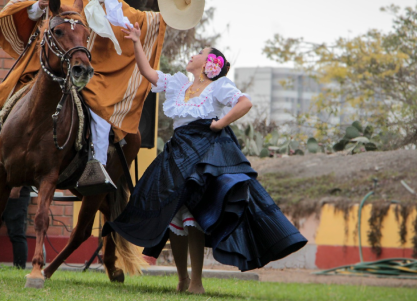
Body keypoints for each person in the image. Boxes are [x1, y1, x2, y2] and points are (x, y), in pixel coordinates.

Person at [102, 24, 308, 294]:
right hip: (177, 152)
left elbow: (244, 103)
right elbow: (149, 73)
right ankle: (182, 278)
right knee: (174, 212)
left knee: (195, 213)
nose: (192, 54)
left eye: (199, 52)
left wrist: (219, 123)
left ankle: (196, 281)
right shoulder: (179, 84)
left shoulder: (219, 86)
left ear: (210, 62)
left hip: (204, 152)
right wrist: (138, 43)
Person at [0, 0, 166, 166]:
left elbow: (142, 19)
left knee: (102, 115)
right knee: (6, 89)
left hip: (88, 71)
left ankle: (97, 167)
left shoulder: (116, 6)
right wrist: (39, 7)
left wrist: (167, 15)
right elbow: (29, 8)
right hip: (50, 66)